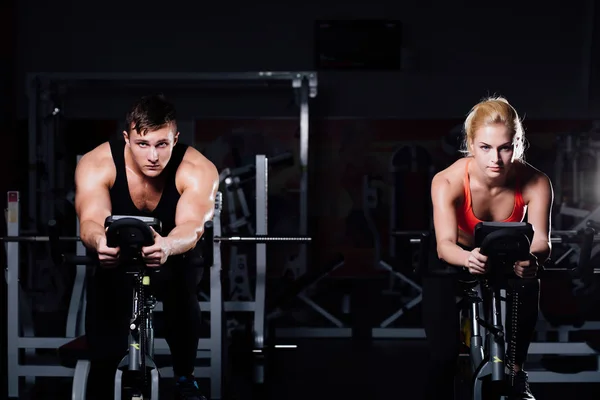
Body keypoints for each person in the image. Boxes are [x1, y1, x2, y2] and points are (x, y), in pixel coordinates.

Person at [75, 94, 219, 400]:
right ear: (126, 138)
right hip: (116, 257)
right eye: (143, 144)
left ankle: (184, 377)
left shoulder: (196, 167)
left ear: (175, 139)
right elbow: (89, 219)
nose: (153, 155)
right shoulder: (97, 163)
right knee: (104, 294)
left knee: (182, 290)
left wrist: (168, 245)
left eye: (162, 144)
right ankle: (102, 378)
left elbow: (192, 225)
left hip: (172, 256)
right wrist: (99, 241)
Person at [424, 96, 553, 400]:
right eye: (485, 148)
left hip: (505, 252)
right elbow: (444, 245)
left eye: (504, 148)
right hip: (455, 255)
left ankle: (517, 372)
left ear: (517, 145)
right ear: (470, 144)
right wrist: (466, 258)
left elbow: (541, 240)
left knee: (528, 280)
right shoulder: (447, 181)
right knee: (443, 355)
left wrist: (531, 259)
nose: (495, 158)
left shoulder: (536, 182)